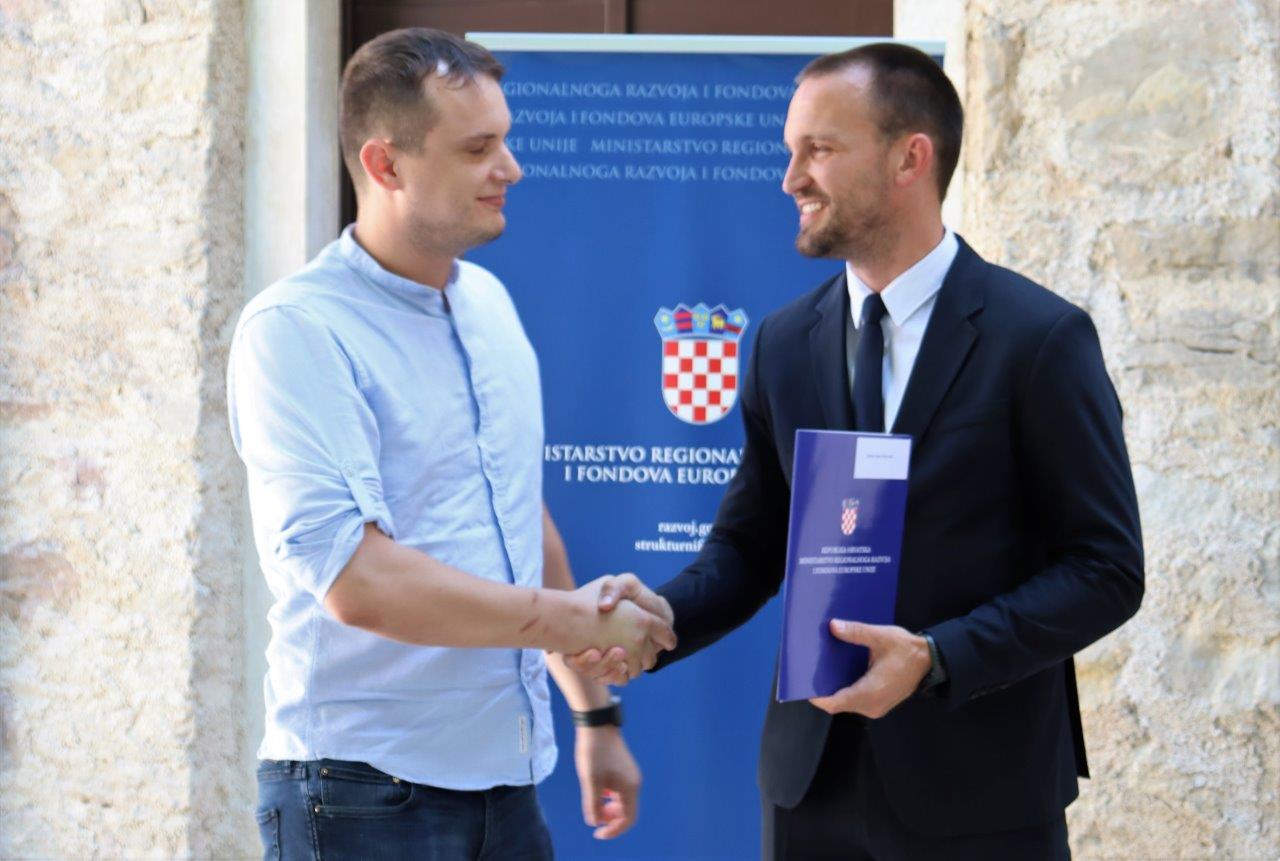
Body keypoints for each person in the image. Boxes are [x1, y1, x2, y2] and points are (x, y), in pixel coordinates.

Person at [569, 43, 1144, 859]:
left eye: (820, 149)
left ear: (911, 158)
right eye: (791, 151)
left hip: (981, 791)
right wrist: (664, 616)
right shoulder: (783, 343)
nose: (790, 179)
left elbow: (1106, 568)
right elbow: (750, 547)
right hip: (811, 787)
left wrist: (938, 656)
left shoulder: (1039, 339)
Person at [227, 28, 675, 861]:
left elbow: (520, 521)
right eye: (478, 148)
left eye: (505, 139)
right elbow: (357, 581)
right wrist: (577, 618)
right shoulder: (297, 330)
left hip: (507, 784)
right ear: (386, 164)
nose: (512, 168)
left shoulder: (491, 305)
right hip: (358, 795)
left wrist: (594, 713)